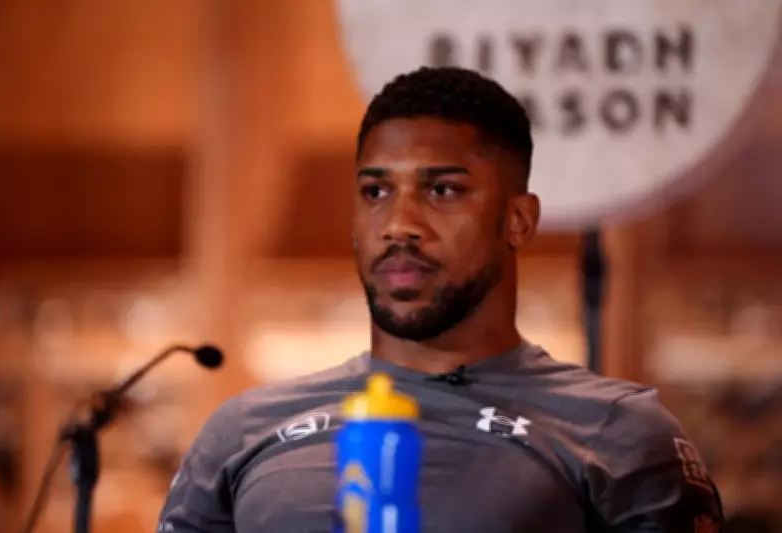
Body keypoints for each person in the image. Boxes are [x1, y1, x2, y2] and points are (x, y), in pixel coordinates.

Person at [157, 66, 724, 532]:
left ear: (519, 220)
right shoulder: (242, 431)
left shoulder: (618, 433)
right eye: (376, 191)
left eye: (442, 190)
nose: (398, 223)